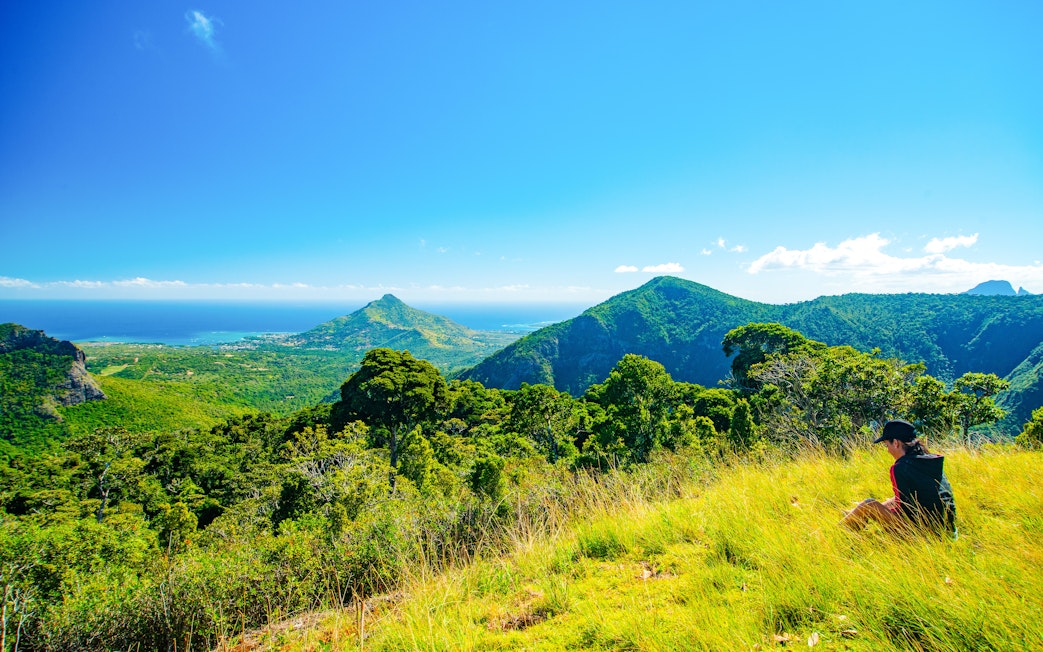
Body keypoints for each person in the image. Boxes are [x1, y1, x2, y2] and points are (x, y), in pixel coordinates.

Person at [841, 419, 956, 536]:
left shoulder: (900, 467)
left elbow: (904, 512)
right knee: (891, 500)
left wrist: (873, 511)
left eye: (887, 445)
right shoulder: (932, 460)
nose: (888, 450)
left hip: (925, 535)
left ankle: (840, 532)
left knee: (869, 505)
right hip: (949, 532)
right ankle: (854, 514)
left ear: (896, 443)